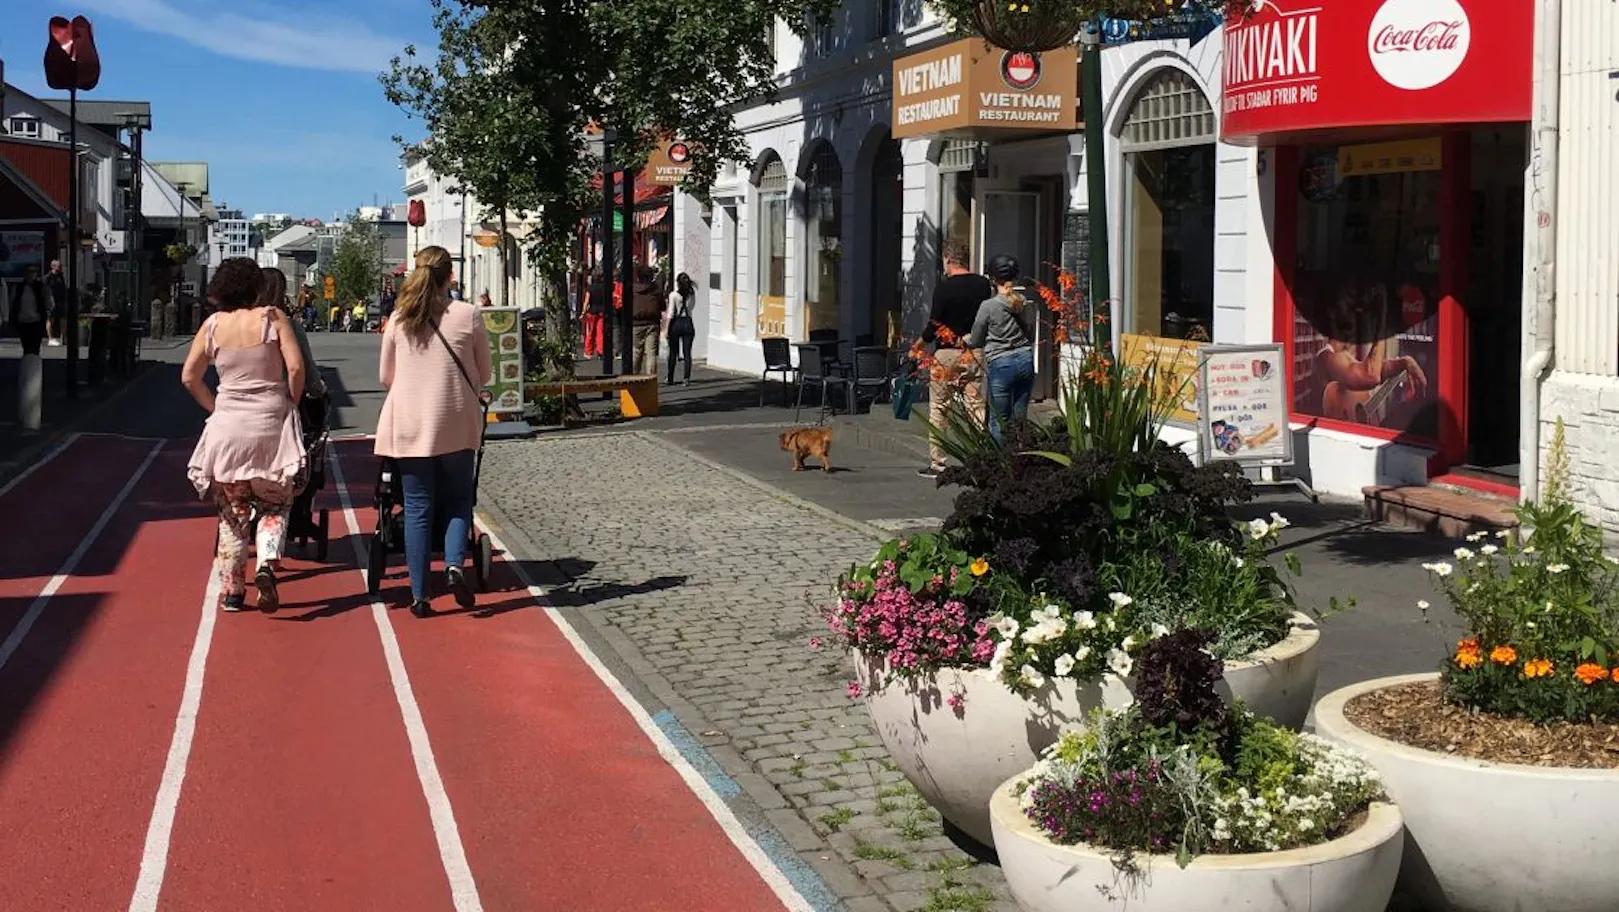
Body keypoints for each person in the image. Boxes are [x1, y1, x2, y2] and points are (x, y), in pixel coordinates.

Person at [182, 258, 307, 613]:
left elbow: (189, 377)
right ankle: (266, 562)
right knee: (275, 504)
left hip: (228, 429)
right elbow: (295, 367)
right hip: (270, 425)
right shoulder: (273, 318)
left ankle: (234, 591)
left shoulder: (212, 326)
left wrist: (216, 408)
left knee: (233, 514)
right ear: (255, 287)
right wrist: (290, 402)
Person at [374, 246, 492, 618]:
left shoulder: (399, 318)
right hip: (455, 419)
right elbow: (485, 373)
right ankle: (454, 565)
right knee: (459, 499)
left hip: (410, 424)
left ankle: (419, 595)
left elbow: (385, 376)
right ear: (449, 276)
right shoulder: (468, 315)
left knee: (416, 507)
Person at [919, 239, 994, 478]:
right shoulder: (983, 285)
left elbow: (934, 325)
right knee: (976, 407)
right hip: (974, 352)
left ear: (948, 260)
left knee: (939, 408)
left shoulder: (944, 288)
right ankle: (977, 459)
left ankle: (938, 463)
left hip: (946, 354)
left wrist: (919, 344)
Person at [968, 254, 1036, 443]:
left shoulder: (988, 306)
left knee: (999, 421)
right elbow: (1030, 334)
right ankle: (1021, 454)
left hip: (1001, 363)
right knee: (1020, 419)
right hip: (1025, 359)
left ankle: (1001, 458)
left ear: (993, 279)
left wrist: (966, 339)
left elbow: (975, 339)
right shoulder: (1023, 302)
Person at [259, 268, 326, 399]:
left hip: (234, 402)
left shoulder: (237, 324)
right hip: (278, 397)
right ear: (281, 293)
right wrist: (316, 389)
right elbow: (300, 367)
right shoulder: (289, 326)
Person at [9, 265, 53, 357]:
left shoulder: (41, 287)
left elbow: (49, 302)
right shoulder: (19, 288)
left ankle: (35, 362)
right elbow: (13, 302)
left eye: (33, 272)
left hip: (36, 321)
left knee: (35, 347)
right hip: (23, 321)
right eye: (29, 272)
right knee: (26, 347)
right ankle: (27, 363)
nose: (31, 275)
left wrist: (48, 310)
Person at [629, 264, 664, 377]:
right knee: (651, 353)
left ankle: (634, 376)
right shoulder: (656, 290)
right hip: (653, 323)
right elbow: (662, 306)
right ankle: (651, 378)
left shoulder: (633, 290)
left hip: (636, 322)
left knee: (636, 351)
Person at [666, 272, 697, 386]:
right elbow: (692, 307)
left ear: (678, 283)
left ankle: (670, 377)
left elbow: (670, 312)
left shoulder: (673, 295)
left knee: (673, 352)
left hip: (676, 323)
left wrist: (666, 329)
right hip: (688, 322)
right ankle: (686, 378)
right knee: (687, 352)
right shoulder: (691, 294)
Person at [44, 259, 68, 346]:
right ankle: (50, 338)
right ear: (53, 267)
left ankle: (63, 337)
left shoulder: (61, 276)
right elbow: (44, 289)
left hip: (61, 300)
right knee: (51, 319)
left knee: (63, 318)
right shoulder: (48, 277)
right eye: (59, 266)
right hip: (51, 300)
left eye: (61, 266)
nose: (61, 268)